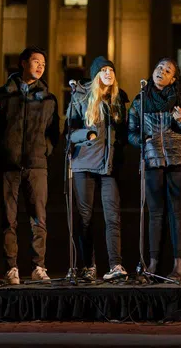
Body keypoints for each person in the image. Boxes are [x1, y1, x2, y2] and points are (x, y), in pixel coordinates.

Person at [0, 46, 60, 285]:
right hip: (8, 165)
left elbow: (54, 132)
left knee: (38, 218)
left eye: (43, 63)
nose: (40, 66)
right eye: (35, 61)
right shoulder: (3, 94)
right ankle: (11, 267)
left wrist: (44, 150)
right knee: (8, 219)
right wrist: (3, 150)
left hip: (37, 165)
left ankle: (38, 266)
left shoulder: (49, 98)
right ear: (22, 63)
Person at [128, 57, 181, 284]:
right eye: (159, 67)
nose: (161, 71)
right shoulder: (140, 99)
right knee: (156, 213)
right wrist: (144, 140)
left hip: (180, 159)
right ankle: (152, 265)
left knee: (177, 212)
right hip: (152, 160)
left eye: (167, 70)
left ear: (173, 79)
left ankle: (179, 267)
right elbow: (130, 132)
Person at [66, 56, 129, 282]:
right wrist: (87, 134)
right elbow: (69, 133)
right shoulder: (80, 97)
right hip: (84, 164)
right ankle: (88, 265)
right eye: (103, 70)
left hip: (108, 166)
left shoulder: (118, 100)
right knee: (85, 217)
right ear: (95, 75)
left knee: (113, 216)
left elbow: (124, 132)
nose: (108, 74)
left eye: (111, 70)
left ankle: (115, 264)